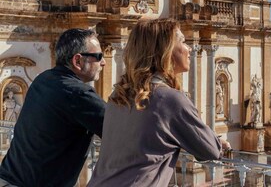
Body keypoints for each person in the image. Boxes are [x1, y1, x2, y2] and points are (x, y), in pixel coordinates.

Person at [88, 19, 231, 187]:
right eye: (183, 42)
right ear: (166, 50)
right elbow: (210, 150)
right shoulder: (169, 99)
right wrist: (217, 142)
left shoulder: (118, 95)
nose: (189, 48)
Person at [0, 29, 106, 187]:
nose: (103, 62)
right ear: (77, 61)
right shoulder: (77, 94)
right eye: (98, 57)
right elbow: (121, 131)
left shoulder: (43, 80)